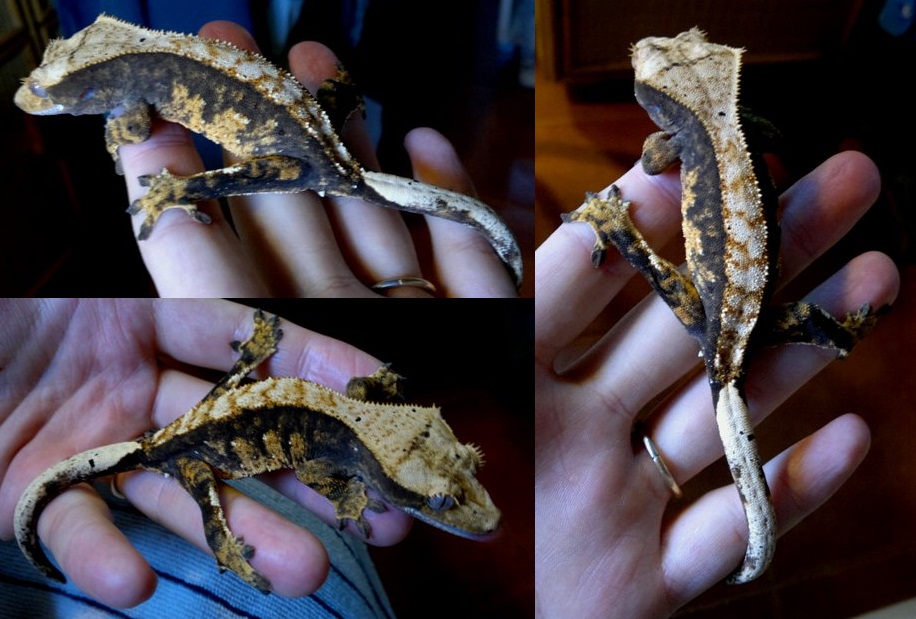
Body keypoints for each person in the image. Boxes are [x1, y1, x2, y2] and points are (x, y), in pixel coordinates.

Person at [535, 151, 900, 617]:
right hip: (733, 315)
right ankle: (838, 335)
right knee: (690, 293)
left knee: (678, 287)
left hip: (727, 318)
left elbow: (659, 158)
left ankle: (619, 228)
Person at [0, 299, 403, 615]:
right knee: (209, 501)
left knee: (217, 422)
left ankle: (249, 357)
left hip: (205, 428)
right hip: (184, 450)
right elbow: (315, 470)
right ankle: (223, 551)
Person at [116, 21, 516, 298]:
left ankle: (179, 190)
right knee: (247, 171)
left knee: (240, 177)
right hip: (311, 147)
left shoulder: (135, 86)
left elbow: (135, 127)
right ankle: (180, 190)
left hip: (311, 162)